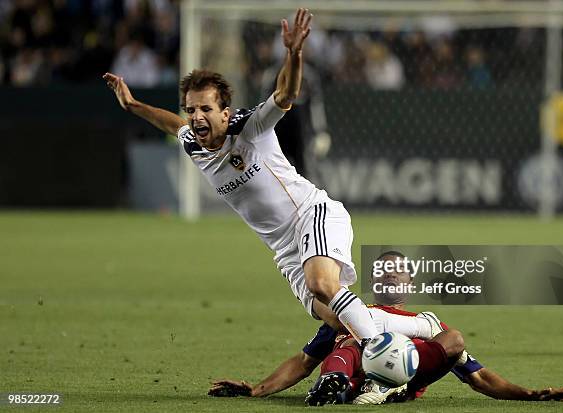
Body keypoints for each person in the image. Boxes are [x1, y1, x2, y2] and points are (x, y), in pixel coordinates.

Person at [103, 9, 431, 346]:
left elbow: (286, 95)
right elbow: (172, 124)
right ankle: (422, 328)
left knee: (323, 285)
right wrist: (133, 106)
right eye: (192, 109)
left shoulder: (251, 128)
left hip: (310, 215)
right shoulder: (194, 143)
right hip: (285, 250)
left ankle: (380, 358)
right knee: (337, 318)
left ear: (225, 112)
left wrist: (293, 53)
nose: (196, 117)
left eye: (206, 109)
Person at [208, 252, 563, 405]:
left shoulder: (429, 324)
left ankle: (388, 386)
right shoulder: (355, 311)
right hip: (353, 378)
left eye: (399, 271)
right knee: (349, 337)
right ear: (374, 280)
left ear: (410, 281)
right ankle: (337, 387)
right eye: (384, 272)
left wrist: (533, 395)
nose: (392, 276)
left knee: (453, 339)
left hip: (410, 377)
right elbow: (303, 361)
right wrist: (257, 390)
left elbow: (479, 378)